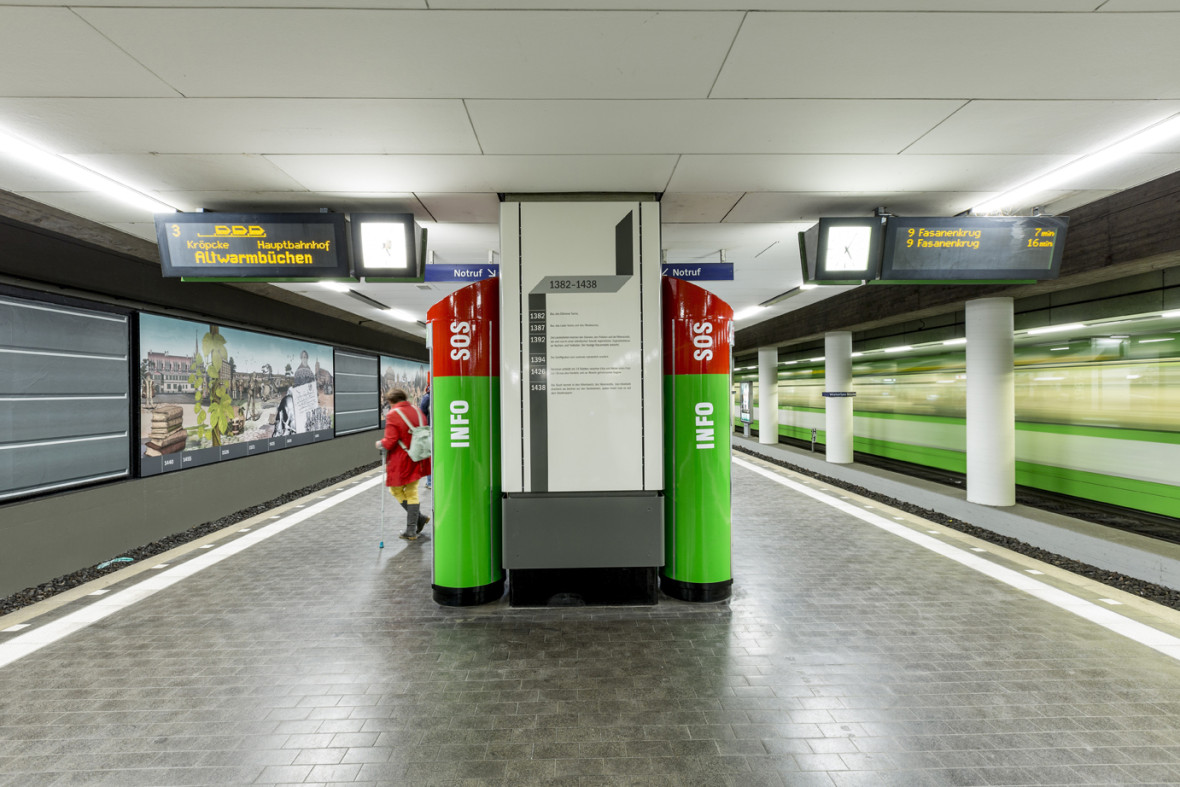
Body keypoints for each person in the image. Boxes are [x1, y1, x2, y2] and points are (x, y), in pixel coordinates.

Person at [375, 388, 431, 540]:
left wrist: (381, 443)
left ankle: (417, 520)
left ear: (391, 401)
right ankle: (412, 529)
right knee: (412, 492)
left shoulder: (394, 414)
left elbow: (391, 440)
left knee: (396, 491)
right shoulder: (416, 410)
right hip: (418, 457)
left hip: (402, 460)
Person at [419, 384, 432, 489]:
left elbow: (421, 413)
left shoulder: (427, 398)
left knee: (430, 456)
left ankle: (430, 481)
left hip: (429, 430)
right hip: (436, 429)